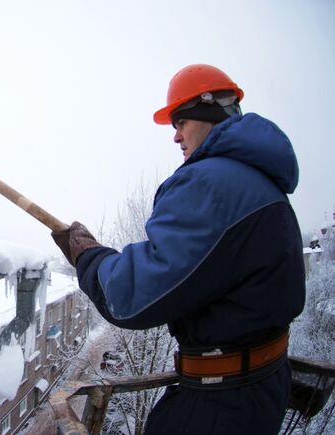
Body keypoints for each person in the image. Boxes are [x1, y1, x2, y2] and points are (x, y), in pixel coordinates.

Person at [52, 64, 305, 434]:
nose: (175, 136)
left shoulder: (209, 183)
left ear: (208, 113)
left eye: (181, 122)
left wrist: (86, 255)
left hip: (221, 404)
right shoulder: (262, 183)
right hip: (262, 385)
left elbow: (130, 297)